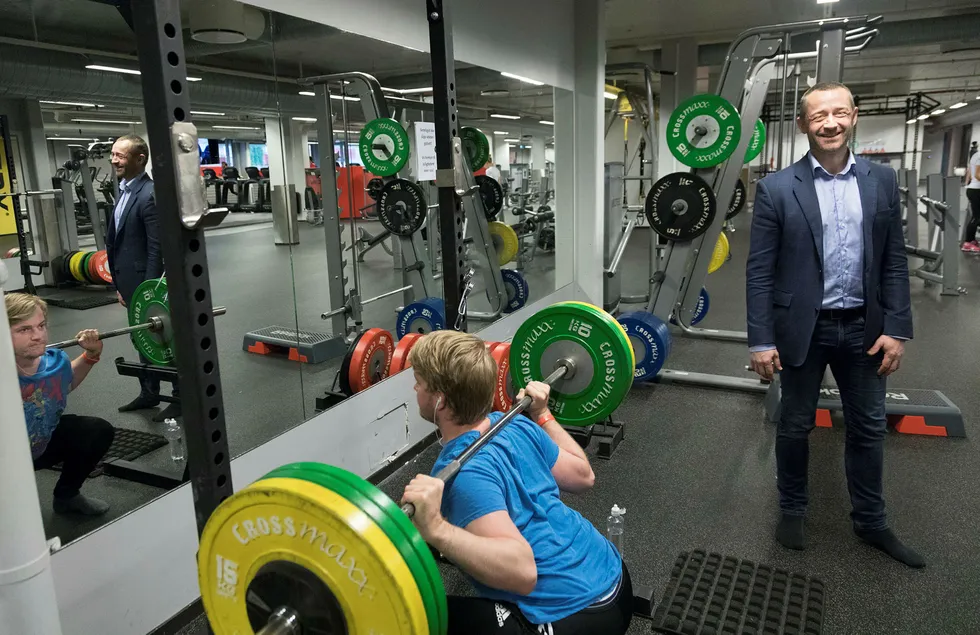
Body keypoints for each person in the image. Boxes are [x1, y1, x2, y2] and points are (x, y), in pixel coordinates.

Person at [746, 81, 923, 568]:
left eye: (839, 113)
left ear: (854, 117)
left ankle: (872, 522)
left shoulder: (881, 180)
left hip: (865, 327)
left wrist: (898, 327)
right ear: (804, 124)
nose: (830, 123)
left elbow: (892, 259)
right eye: (819, 115)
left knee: (867, 427)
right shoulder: (777, 188)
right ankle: (792, 509)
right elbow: (760, 271)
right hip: (804, 327)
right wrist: (760, 340)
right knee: (795, 424)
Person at [401, 331, 632, 635]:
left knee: (414, 615)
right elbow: (582, 475)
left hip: (575, 619)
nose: (415, 387)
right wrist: (543, 414)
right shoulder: (513, 422)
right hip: (617, 583)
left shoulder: (462, 474)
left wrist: (437, 529)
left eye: (419, 381)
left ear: (439, 400)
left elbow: (523, 573)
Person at [7, 293, 114, 516]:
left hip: (39, 446)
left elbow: (64, 384)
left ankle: (67, 496)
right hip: (6, 460)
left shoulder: (55, 362)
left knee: (95, 431)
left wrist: (91, 354)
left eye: (41, 326)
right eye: (24, 330)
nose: (38, 336)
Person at [105, 134, 177, 420]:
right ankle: (149, 393)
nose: (114, 160)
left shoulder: (150, 194)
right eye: (113, 154)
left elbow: (156, 247)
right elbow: (116, 241)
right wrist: (118, 285)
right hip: (129, 282)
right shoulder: (124, 191)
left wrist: (149, 291)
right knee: (141, 340)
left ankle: (180, 397)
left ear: (140, 158)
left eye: (120, 156)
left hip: (146, 284)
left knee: (163, 341)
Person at [962, 144, 980, 253]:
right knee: (977, 217)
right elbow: (978, 175)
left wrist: (966, 182)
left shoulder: (975, 156)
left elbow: (970, 171)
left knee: (977, 216)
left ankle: (971, 240)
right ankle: (968, 243)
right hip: (976, 191)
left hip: (973, 189)